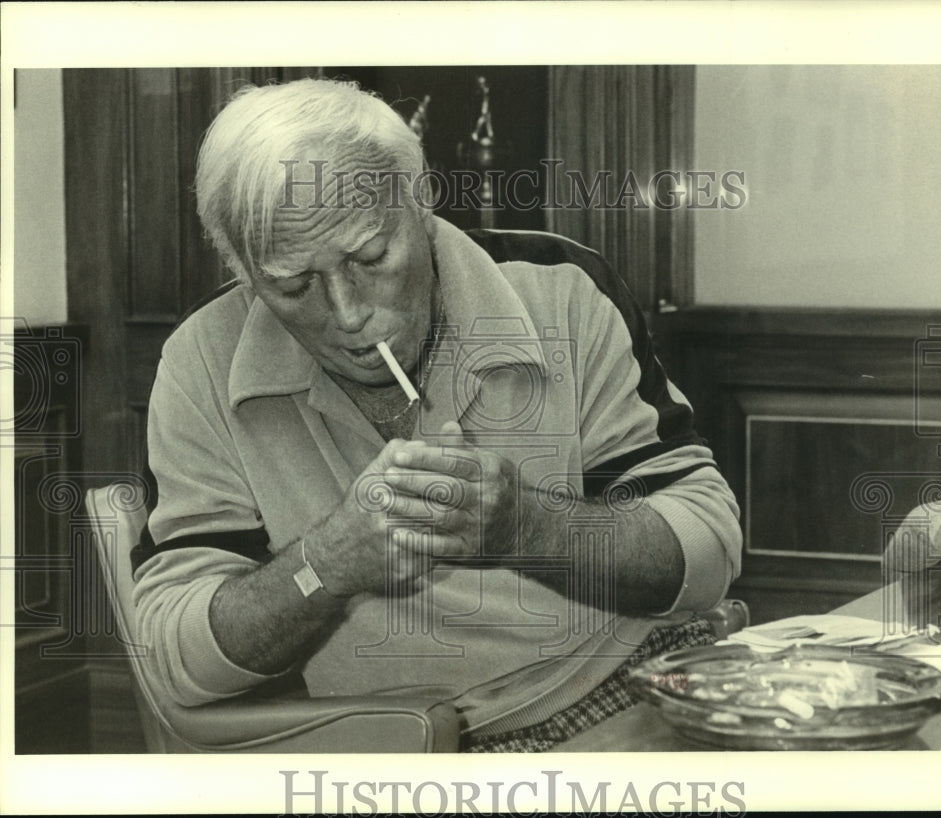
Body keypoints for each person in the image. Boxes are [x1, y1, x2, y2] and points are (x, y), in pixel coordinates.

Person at [133, 77, 742, 751]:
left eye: (370, 257)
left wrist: (523, 526)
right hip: (417, 748)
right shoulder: (201, 363)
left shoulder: (561, 289)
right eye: (292, 283)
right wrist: (326, 566)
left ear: (420, 204)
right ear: (242, 268)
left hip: (645, 686)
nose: (348, 313)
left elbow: (709, 550)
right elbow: (173, 661)